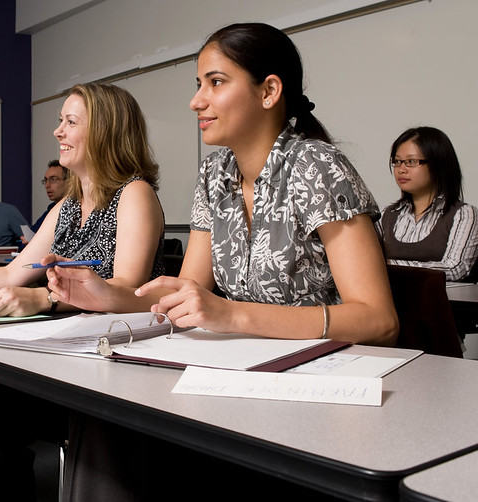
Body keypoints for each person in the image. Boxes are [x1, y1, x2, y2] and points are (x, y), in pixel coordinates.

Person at [45, 23, 399, 500]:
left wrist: (230, 313)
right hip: (242, 371)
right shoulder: (215, 174)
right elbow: (187, 290)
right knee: (104, 421)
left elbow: (378, 320)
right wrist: (111, 295)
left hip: (319, 387)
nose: (196, 101)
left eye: (215, 82)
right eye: (198, 85)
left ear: (269, 91)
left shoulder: (316, 166)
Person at [0, 82, 165, 500]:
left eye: (70, 122)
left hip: (108, 365)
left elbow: (127, 288)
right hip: (60, 351)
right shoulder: (67, 206)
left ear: (106, 131)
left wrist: (46, 298)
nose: (57, 131)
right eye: (60, 121)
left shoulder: (135, 194)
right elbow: (11, 274)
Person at [375, 126, 478, 281]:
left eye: (411, 161)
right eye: (397, 162)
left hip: (438, 303)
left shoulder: (463, 214)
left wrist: (389, 265)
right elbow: (367, 262)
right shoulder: (387, 214)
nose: (401, 169)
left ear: (438, 164)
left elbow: (455, 268)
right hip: (390, 303)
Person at [30, 159, 68, 233]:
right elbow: (32, 234)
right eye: (46, 180)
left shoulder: (77, 210)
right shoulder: (51, 209)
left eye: (53, 179)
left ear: (69, 182)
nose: (47, 185)